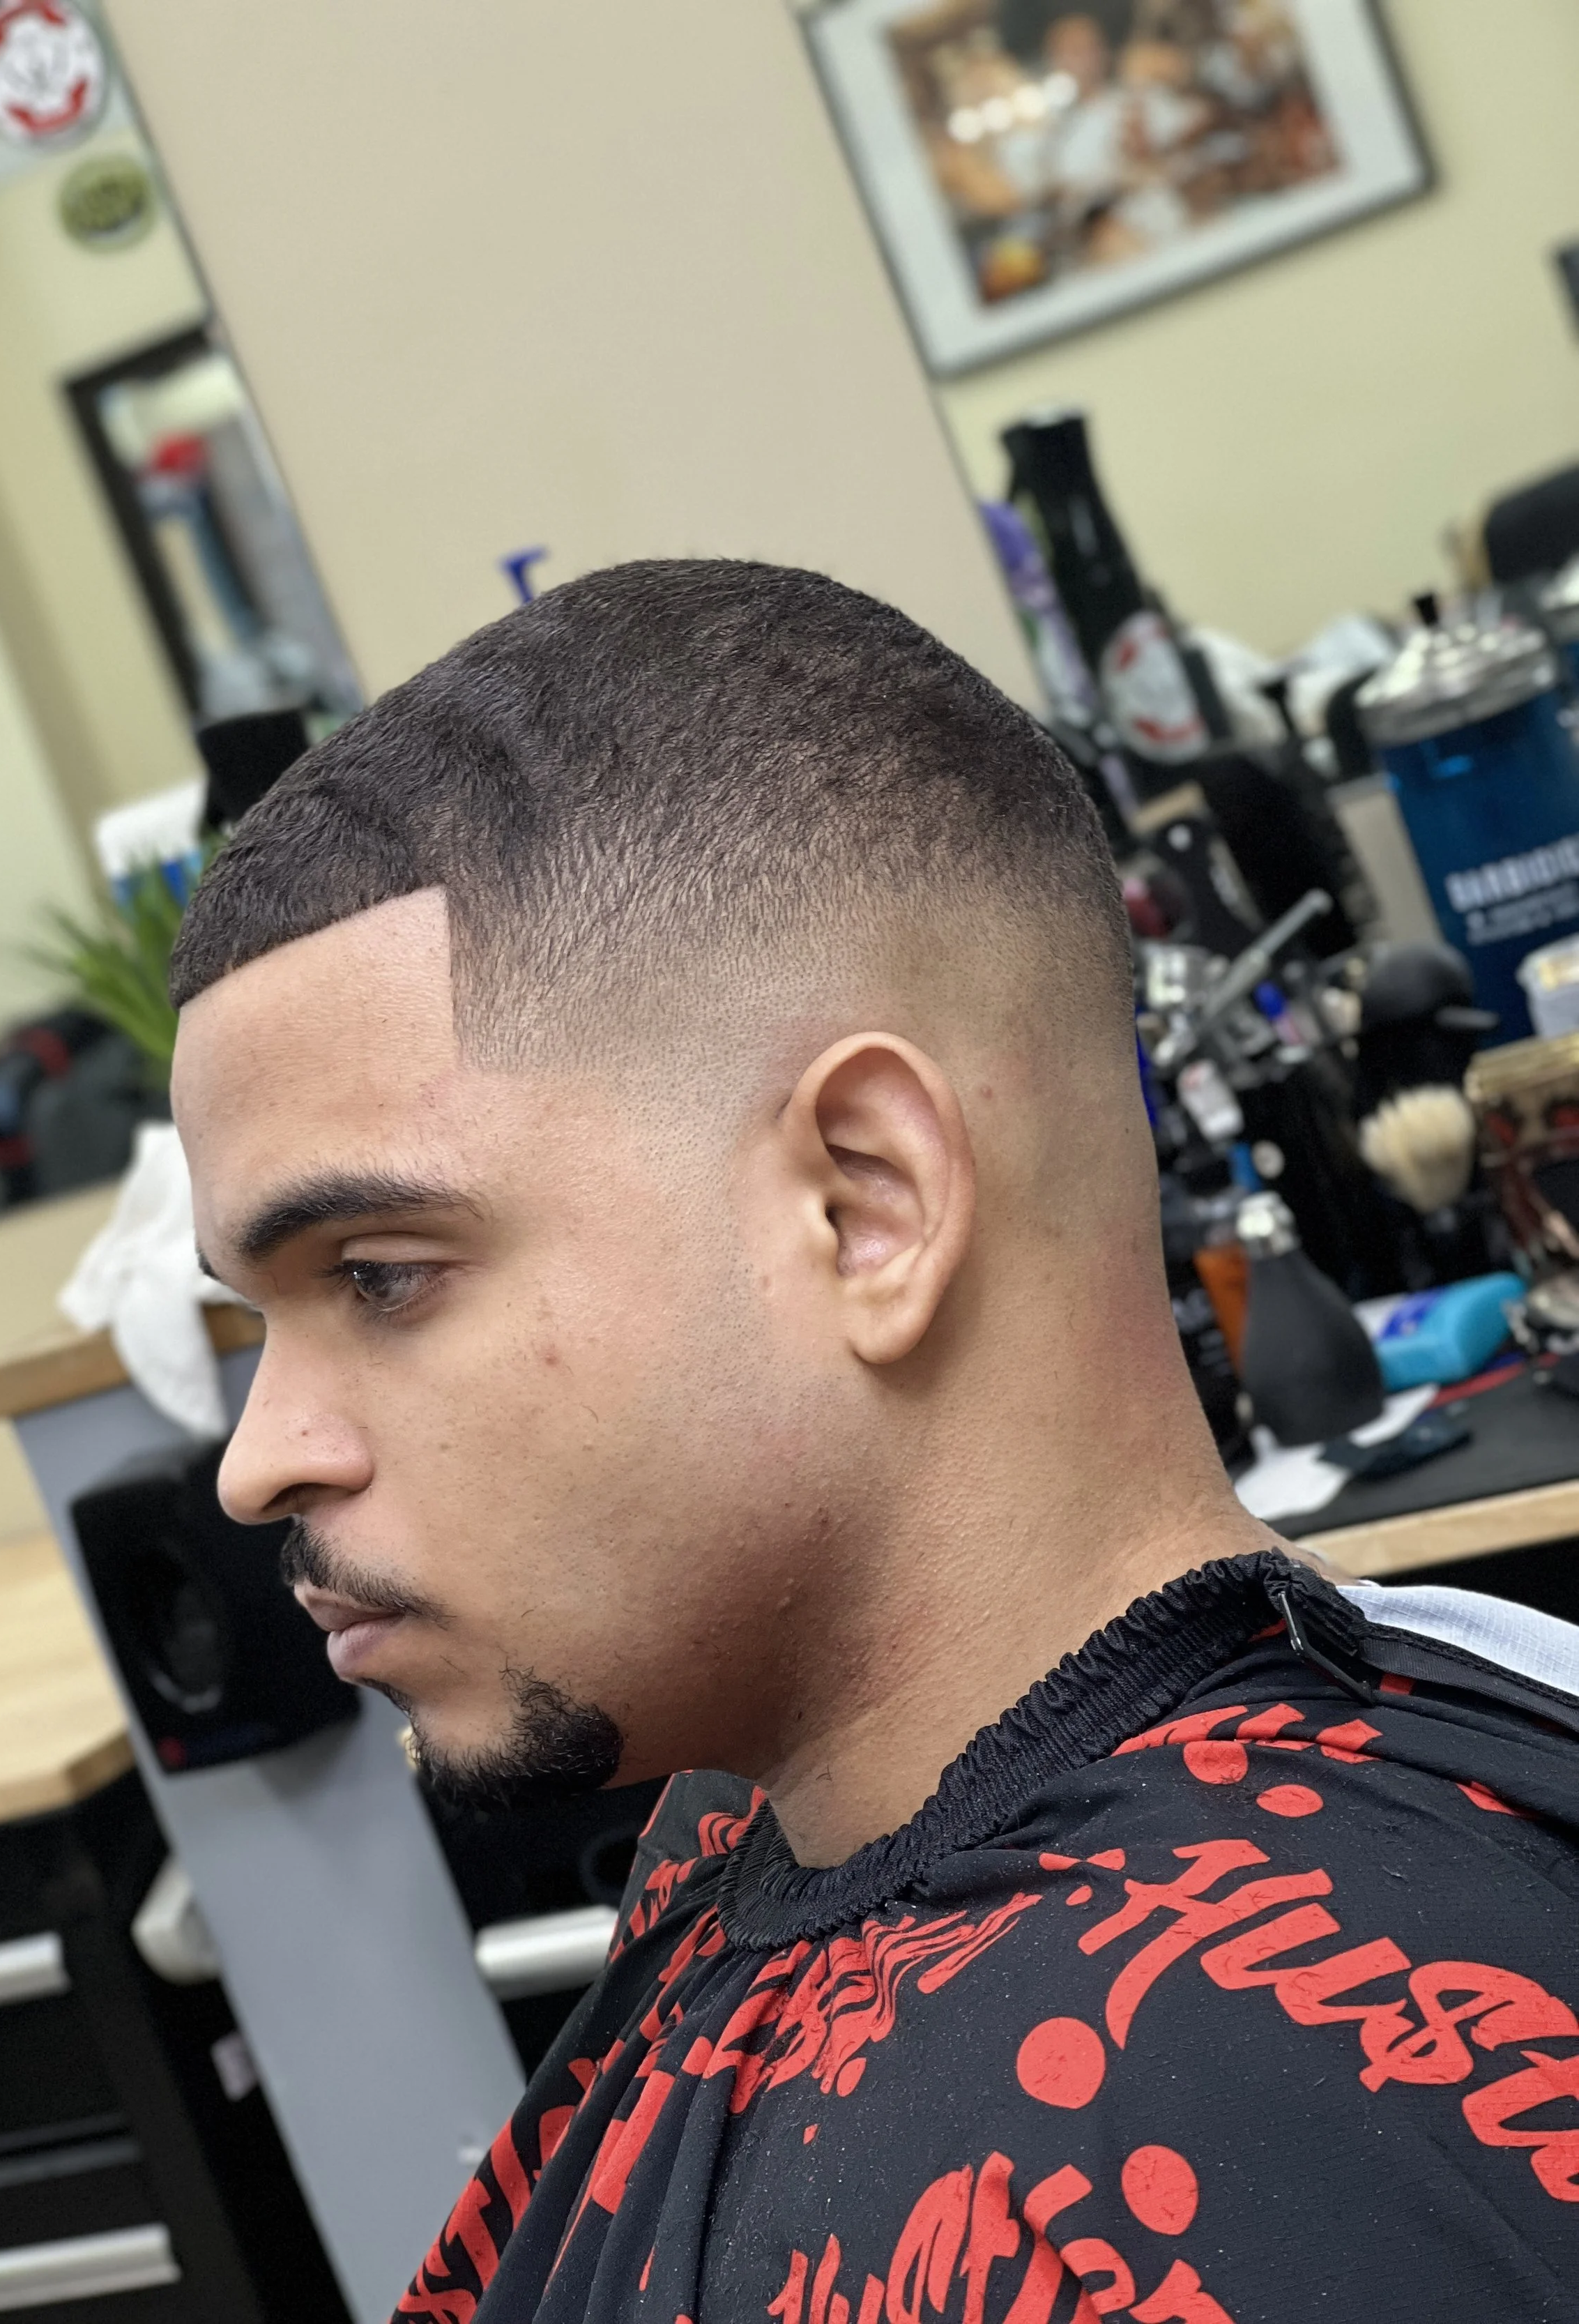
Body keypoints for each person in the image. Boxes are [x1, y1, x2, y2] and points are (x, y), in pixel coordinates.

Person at [169, 561, 1579, 2323]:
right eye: (254, 1322)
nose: (258, 1460)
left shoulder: (1236, 2142)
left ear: (864, 1207)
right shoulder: (759, 1815)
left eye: (377, 1274)